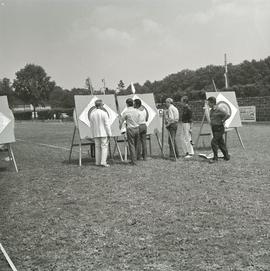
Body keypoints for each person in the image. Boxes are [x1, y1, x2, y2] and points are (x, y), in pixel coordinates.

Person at [207, 96, 231, 163]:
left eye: (209, 103)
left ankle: (215, 158)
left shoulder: (219, 109)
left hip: (219, 128)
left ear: (212, 103)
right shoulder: (211, 110)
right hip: (214, 128)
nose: (208, 104)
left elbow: (228, 114)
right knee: (221, 143)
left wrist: (223, 120)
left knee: (213, 142)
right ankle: (226, 157)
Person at [89, 99, 112, 167]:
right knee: (104, 148)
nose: (103, 106)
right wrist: (109, 134)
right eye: (102, 104)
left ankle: (97, 162)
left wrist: (92, 134)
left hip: (96, 133)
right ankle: (103, 162)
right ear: (100, 105)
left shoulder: (92, 114)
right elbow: (107, 125)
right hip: (103, 133)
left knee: (97, 148)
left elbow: (91, 125)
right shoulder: (104, 113)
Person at [119, 98, 140, 165]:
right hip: (137, 128)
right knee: (136, 145)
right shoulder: (137, 111)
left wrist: (119, 128)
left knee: (131, 145)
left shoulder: (126, 112)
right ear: (133, 103)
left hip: (130, 129)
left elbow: (121, 121)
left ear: (127, 104)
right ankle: (135, 159)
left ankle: (133, 161)